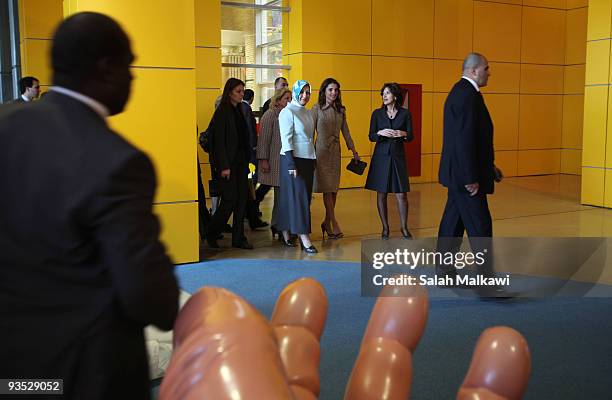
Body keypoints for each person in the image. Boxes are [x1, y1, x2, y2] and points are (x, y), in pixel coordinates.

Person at [0, 12, 179, 399]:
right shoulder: (118, 162)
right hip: (84, 375)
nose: (133, 77)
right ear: (106, 68)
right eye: (130, 64)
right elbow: (149, 296)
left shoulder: (5, 123)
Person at [437, 53, 505, 296]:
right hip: (465, 177)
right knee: (480, 227)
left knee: (452, 224)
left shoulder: (462, 93)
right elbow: (463, 140)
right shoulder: (466, 96)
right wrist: (471, 177)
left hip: (459, 173)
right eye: (487, 68)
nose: (490, 72)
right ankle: (487, 285)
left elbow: (472, 139)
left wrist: (488, 167)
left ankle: (444, 273)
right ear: (475, 70)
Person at [205, 78, 254, 250]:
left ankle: (238, 238)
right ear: (230, 92)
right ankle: (211, 232)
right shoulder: (222, 112)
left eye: (242, 91)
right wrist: (224, 166)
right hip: (229, 163)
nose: (242, 94)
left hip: (240, 162)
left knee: (241, 200)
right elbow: (219, 142)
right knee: (229, 200)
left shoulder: (239, 110)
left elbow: (243, 138)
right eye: (238, 91)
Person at [364, 82, 414, 240]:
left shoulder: (405, 114)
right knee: (381, 194)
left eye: (387, 93)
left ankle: (404, 227)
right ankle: (385, 228)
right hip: (381, 158)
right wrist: (380, 132)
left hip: (398, 157)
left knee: (401, 195)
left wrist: (403, 133)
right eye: (383, 93)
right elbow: (371, 136)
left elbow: (411, 136)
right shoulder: (377, 114)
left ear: (396, 96)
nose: (384, 96)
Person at [312, 78, 359, 239]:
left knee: (334, 190)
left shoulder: (341, 110)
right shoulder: (316, 108)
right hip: (321, 153)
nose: (333, 92)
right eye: (330, 89)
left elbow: (346, 131)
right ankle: (334, 222)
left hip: (335, 152)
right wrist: (309, 153)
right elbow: (310, 132)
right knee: (326, 189)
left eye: (336, 90)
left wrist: (353, 150)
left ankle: (326, 222)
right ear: (324, 91)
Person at [277, 80, 317, 254]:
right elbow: (286, 139)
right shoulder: (287, 112)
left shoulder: (307, 112)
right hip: (292, 159)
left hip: (308, 159)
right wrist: (291, 163)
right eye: (302, 92)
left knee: (300, 198)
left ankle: (285, 230)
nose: (305, 95)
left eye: (308, 92)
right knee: (299, 199)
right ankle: (304, 237)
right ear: (295, 92)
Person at [257, 87, 292, 243]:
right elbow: (263, 140)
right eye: (286, 99)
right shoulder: (270, 115)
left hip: (284, 162)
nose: (289, 102)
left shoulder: (288, 115)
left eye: (291, 99)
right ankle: (278, 225)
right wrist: (263, 160)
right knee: (281, 196)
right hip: (274, 162)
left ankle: (279, 225)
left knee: (283, 197)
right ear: (278, 101)